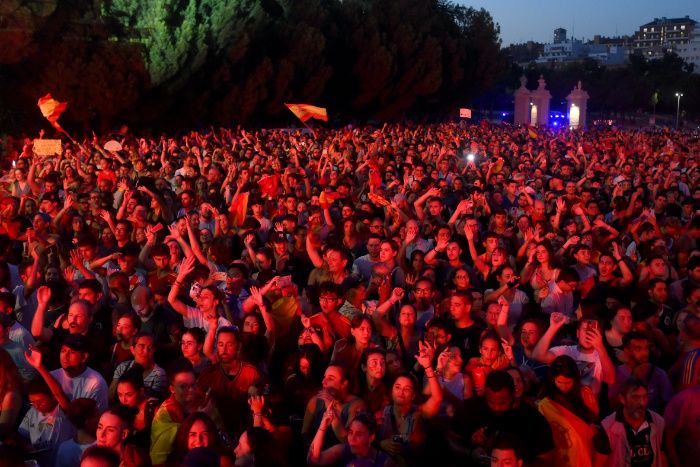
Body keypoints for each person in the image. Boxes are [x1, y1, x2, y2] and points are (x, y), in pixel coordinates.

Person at [449, 370, 554, 465]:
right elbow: (451, 439)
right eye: (491, 402)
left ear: (513, 395)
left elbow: (546, 458)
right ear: (485, 394)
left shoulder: (533, 419)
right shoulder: (469, 409)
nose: (497, 408)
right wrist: (470, 452)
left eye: (503, 403)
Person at [537, 355, 610, 466]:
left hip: (584, 452)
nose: (563, 387)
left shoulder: (585, 394)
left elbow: (595, 424)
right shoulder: (545, 404)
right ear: (553, 379)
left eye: (568, 383)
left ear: (575, 380)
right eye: (559, 382)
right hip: (561, 455)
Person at [532, 313, 616, 396]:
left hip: (587, 405)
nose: (588, 334)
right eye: (585, 330)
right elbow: (538, 355)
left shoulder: (601, 356)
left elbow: (610, 380)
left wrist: (600, 347)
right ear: (578, 333)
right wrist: (553, 327)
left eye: (593, 331)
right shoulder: (566, 350)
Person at [602, 378, 666, 467]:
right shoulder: (608, 427)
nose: (642, 403)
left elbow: (662, 458)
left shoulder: (658, 422)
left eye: (645, 397)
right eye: (635, 397)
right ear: (622, 399)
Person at [18, 377, 75, 467]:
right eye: (33, 402)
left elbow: (59, 394)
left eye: (41, 401)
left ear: (53, 397)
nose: (37, 406)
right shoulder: (32, 412)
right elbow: (22, 434)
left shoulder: (61, 410)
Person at [308, 412, 395, 466]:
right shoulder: (343, 450)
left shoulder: (386, 462)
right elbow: (313, 460)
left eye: (359, 434)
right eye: (350, 432)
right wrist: (322, 426)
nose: (352, 439)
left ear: (371, 438)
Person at [56, 398, 100, 467]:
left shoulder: (64, 448)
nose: (100, 418)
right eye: (97, 415)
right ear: (87, 421)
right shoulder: (100, 446)